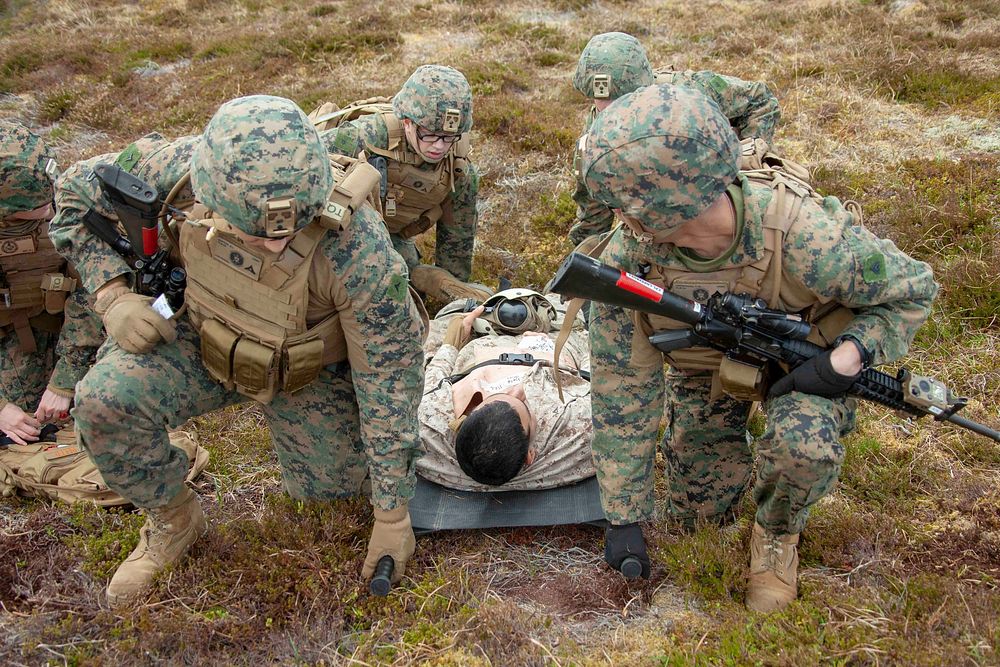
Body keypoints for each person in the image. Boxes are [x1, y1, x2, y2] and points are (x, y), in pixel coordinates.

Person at [49, 95, 426, 606]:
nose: (276, 246)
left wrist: (392, 513)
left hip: (305, 370)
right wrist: (111, 296)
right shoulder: (183, 171)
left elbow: (389, 380)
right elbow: (72, 194)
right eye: (257, 231)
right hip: (200, 334)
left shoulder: (358, 249)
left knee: (333, 497)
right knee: (104, 402)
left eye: (292, 229)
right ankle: (174, 518)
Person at [577, 84, 937, 612]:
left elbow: (913, 290)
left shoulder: (812, 239)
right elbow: (621, 387)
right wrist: (625, 515)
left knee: (803, 444)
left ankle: (776, 536)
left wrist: (849, 357)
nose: (618, 218)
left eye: (625, 205)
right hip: (708, 370)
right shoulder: (633, 256)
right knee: (695, 520)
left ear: (671, 203)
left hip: (806, 365)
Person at [569, 31, 782, 248]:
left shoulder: (690, 92)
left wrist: (745, 164)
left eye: (621, 100)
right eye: (600, 101)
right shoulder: (596, 134)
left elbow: (760, 101)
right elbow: (593, 200)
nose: (610, 111)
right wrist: (583, 252)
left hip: (718, 193)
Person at [312, 65, 491, 303]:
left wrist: (455, 299)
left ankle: (417, 275)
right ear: (407, 122)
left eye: (448, 138)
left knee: (402, 285)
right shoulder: (367, 135)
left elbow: (458, 240)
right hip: (333, 230)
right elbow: (304, 161)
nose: (439, 146)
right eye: (428, 134)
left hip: (390, 237)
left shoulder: (457, 171)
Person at [417, 290, 592, 491]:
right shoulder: (580, 429)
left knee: (459, 310)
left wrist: (453, 342)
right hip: (553, 341)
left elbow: (433, 376)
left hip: (483, 338)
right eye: (525, 405)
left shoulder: (428, 427)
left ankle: (469, 290)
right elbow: (599, 374)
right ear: (530, 456)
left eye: (490, 397)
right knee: (560, 296)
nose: (515, 391)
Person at [0, 121, 103, 449]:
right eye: (28, 215)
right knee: (20, 437)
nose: (48, 212)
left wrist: (64, 379)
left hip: (65, 332)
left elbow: (92, 286)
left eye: (50, 202)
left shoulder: (65, 202)